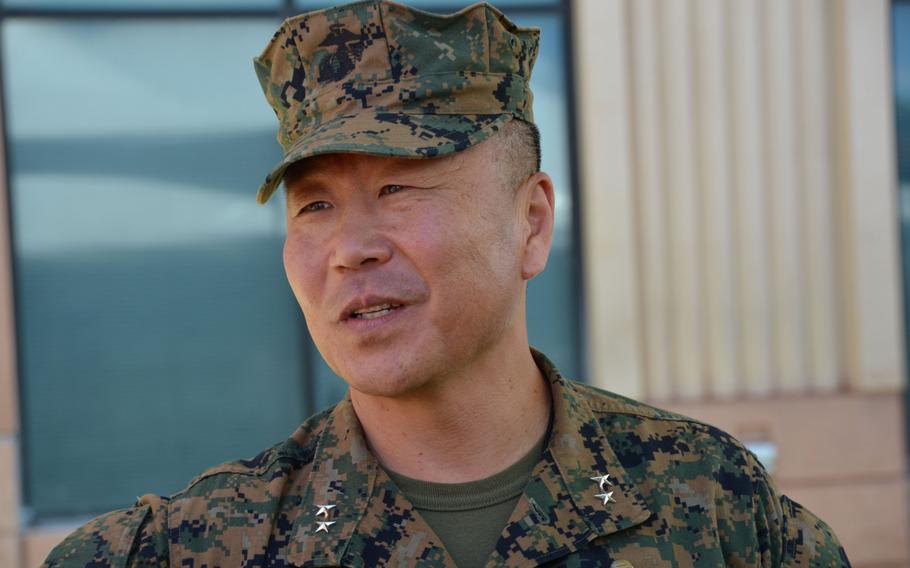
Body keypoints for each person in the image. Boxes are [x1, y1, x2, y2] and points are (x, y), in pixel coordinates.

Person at [44, 1, 850, 566]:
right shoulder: (202, 546)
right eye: (314, 205)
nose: (349, 249)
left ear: (531, 223)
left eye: (400, 187)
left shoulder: (714, 510)